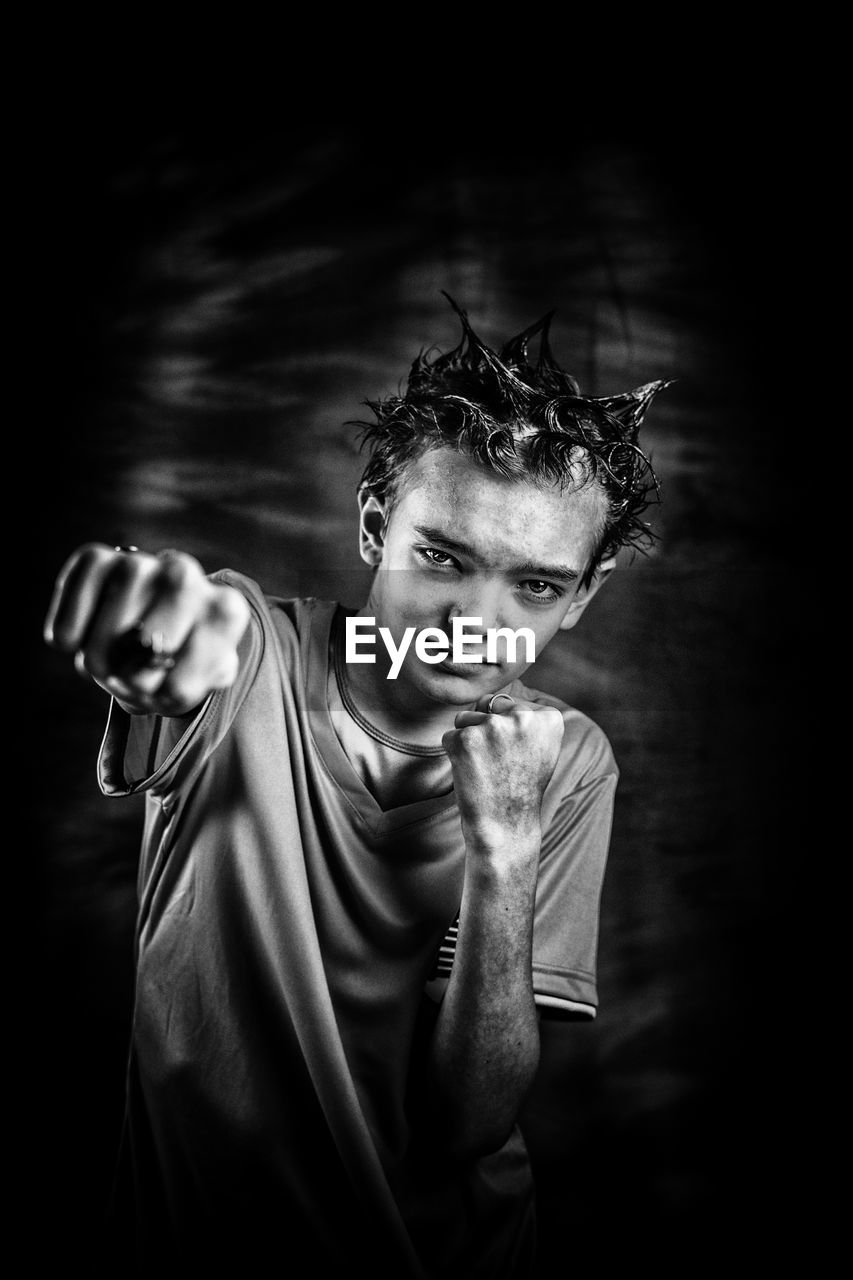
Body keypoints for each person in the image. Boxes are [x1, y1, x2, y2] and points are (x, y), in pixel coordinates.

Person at [44, 296, 671, 1278]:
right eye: (443, 556)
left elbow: (472, 1119)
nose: (475, 619)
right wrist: (146, 625)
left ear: (582, 594)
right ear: (377, 524)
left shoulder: (567, 756)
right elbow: (179, 636)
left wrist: (503, 849)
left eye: (536, 585)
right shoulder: (250, 656)